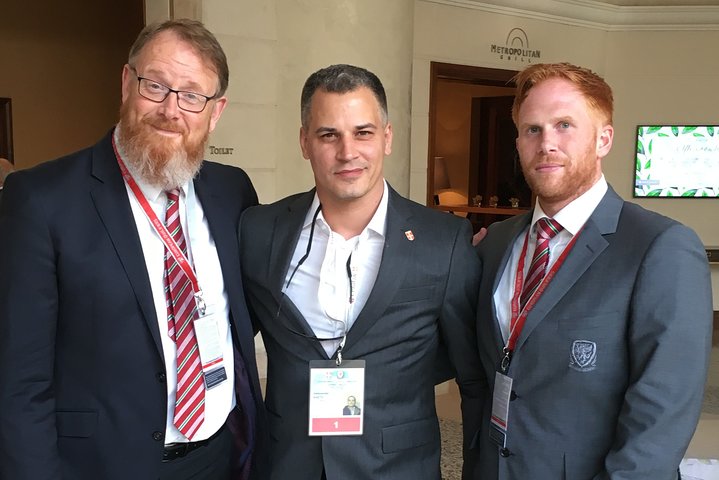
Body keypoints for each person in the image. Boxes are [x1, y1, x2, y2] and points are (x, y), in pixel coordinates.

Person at [0, 19, 267, 480]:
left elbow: (242, 312)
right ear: (127, 83)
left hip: (218, 455)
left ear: (215, 111)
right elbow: (19, 380)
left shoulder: (232, 191)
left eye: (192, 95)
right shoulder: (41, 200)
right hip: (103, 465)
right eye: (155, 85)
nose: (170, 109)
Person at [239, 64, 483, 480]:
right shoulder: (259, 230)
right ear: (305, 142)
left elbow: (471, 375)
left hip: (395, 466)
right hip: (289, 462)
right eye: (328, 135)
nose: (347, 152)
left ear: (387, 138)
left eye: (363, 132)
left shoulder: (444, 241)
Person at [470, 62, 712, 479]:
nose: (546, 143)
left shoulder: (661, 247)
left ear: (604, 139)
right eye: (532, 129)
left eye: (564, 125)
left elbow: (661, 416)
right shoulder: (494, 243)